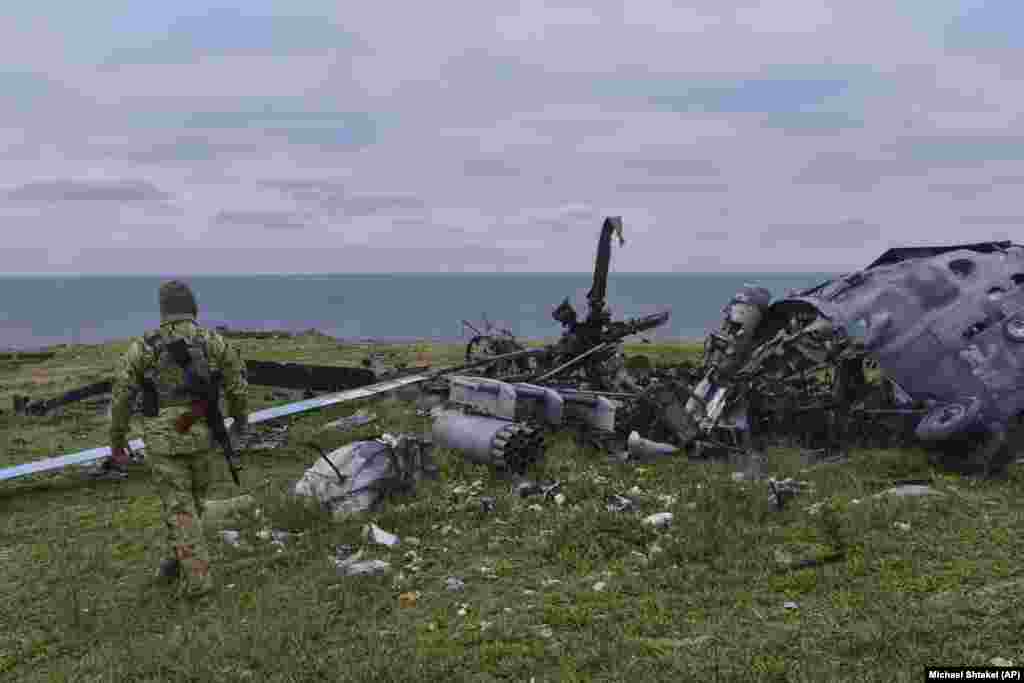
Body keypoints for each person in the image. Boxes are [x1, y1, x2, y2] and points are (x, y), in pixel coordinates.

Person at [103, 280, 249, 599]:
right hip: (203, 434)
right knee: (190, 506)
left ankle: (198, 584)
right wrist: (240, 422)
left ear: (162, 310)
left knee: (180, 507)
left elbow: (122, 396)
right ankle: (174, 563)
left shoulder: (144, 346)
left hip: (164, 439)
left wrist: (117, 439)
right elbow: (237, 384)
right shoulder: (212, 340)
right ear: (193, 306)